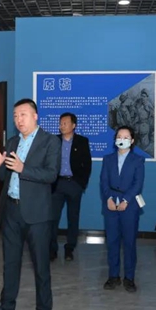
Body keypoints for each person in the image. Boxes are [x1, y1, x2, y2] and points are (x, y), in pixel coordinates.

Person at [0, 99, 60, 310]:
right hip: (11, 210)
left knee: (41, 265)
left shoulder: (50, 141)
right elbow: (3, 176)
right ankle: (7, 305)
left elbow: (51, 175)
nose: (18, 120)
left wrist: (24, 169)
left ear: (35, 116)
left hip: (37, 213)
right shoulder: (13, 142)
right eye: (15, 115)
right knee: (10, 262)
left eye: (23, 114)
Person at [99, 125, 144, 293]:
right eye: (119, 136)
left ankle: (129, 278)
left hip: (129, 206)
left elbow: (137, 184)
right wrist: (109, 198)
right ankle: (113, 276)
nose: (122, 140)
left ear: (132, 141)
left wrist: (126, 200)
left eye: (126, 137)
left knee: (129, 243)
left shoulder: (138, 160)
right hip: (111, 205)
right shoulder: (108, 159)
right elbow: (103, 181)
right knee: (112, 242)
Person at [50, 112, 92, 262]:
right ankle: (52, 249)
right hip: (57, 184)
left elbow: (87, 165)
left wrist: (81, 184)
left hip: (74, 184)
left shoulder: (82, 141)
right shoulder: (54, 140)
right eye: (60, 123)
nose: (62, 126)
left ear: (73, 125)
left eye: (65, 123)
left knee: (73, 218)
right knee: (53, 218)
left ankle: (70, 248)